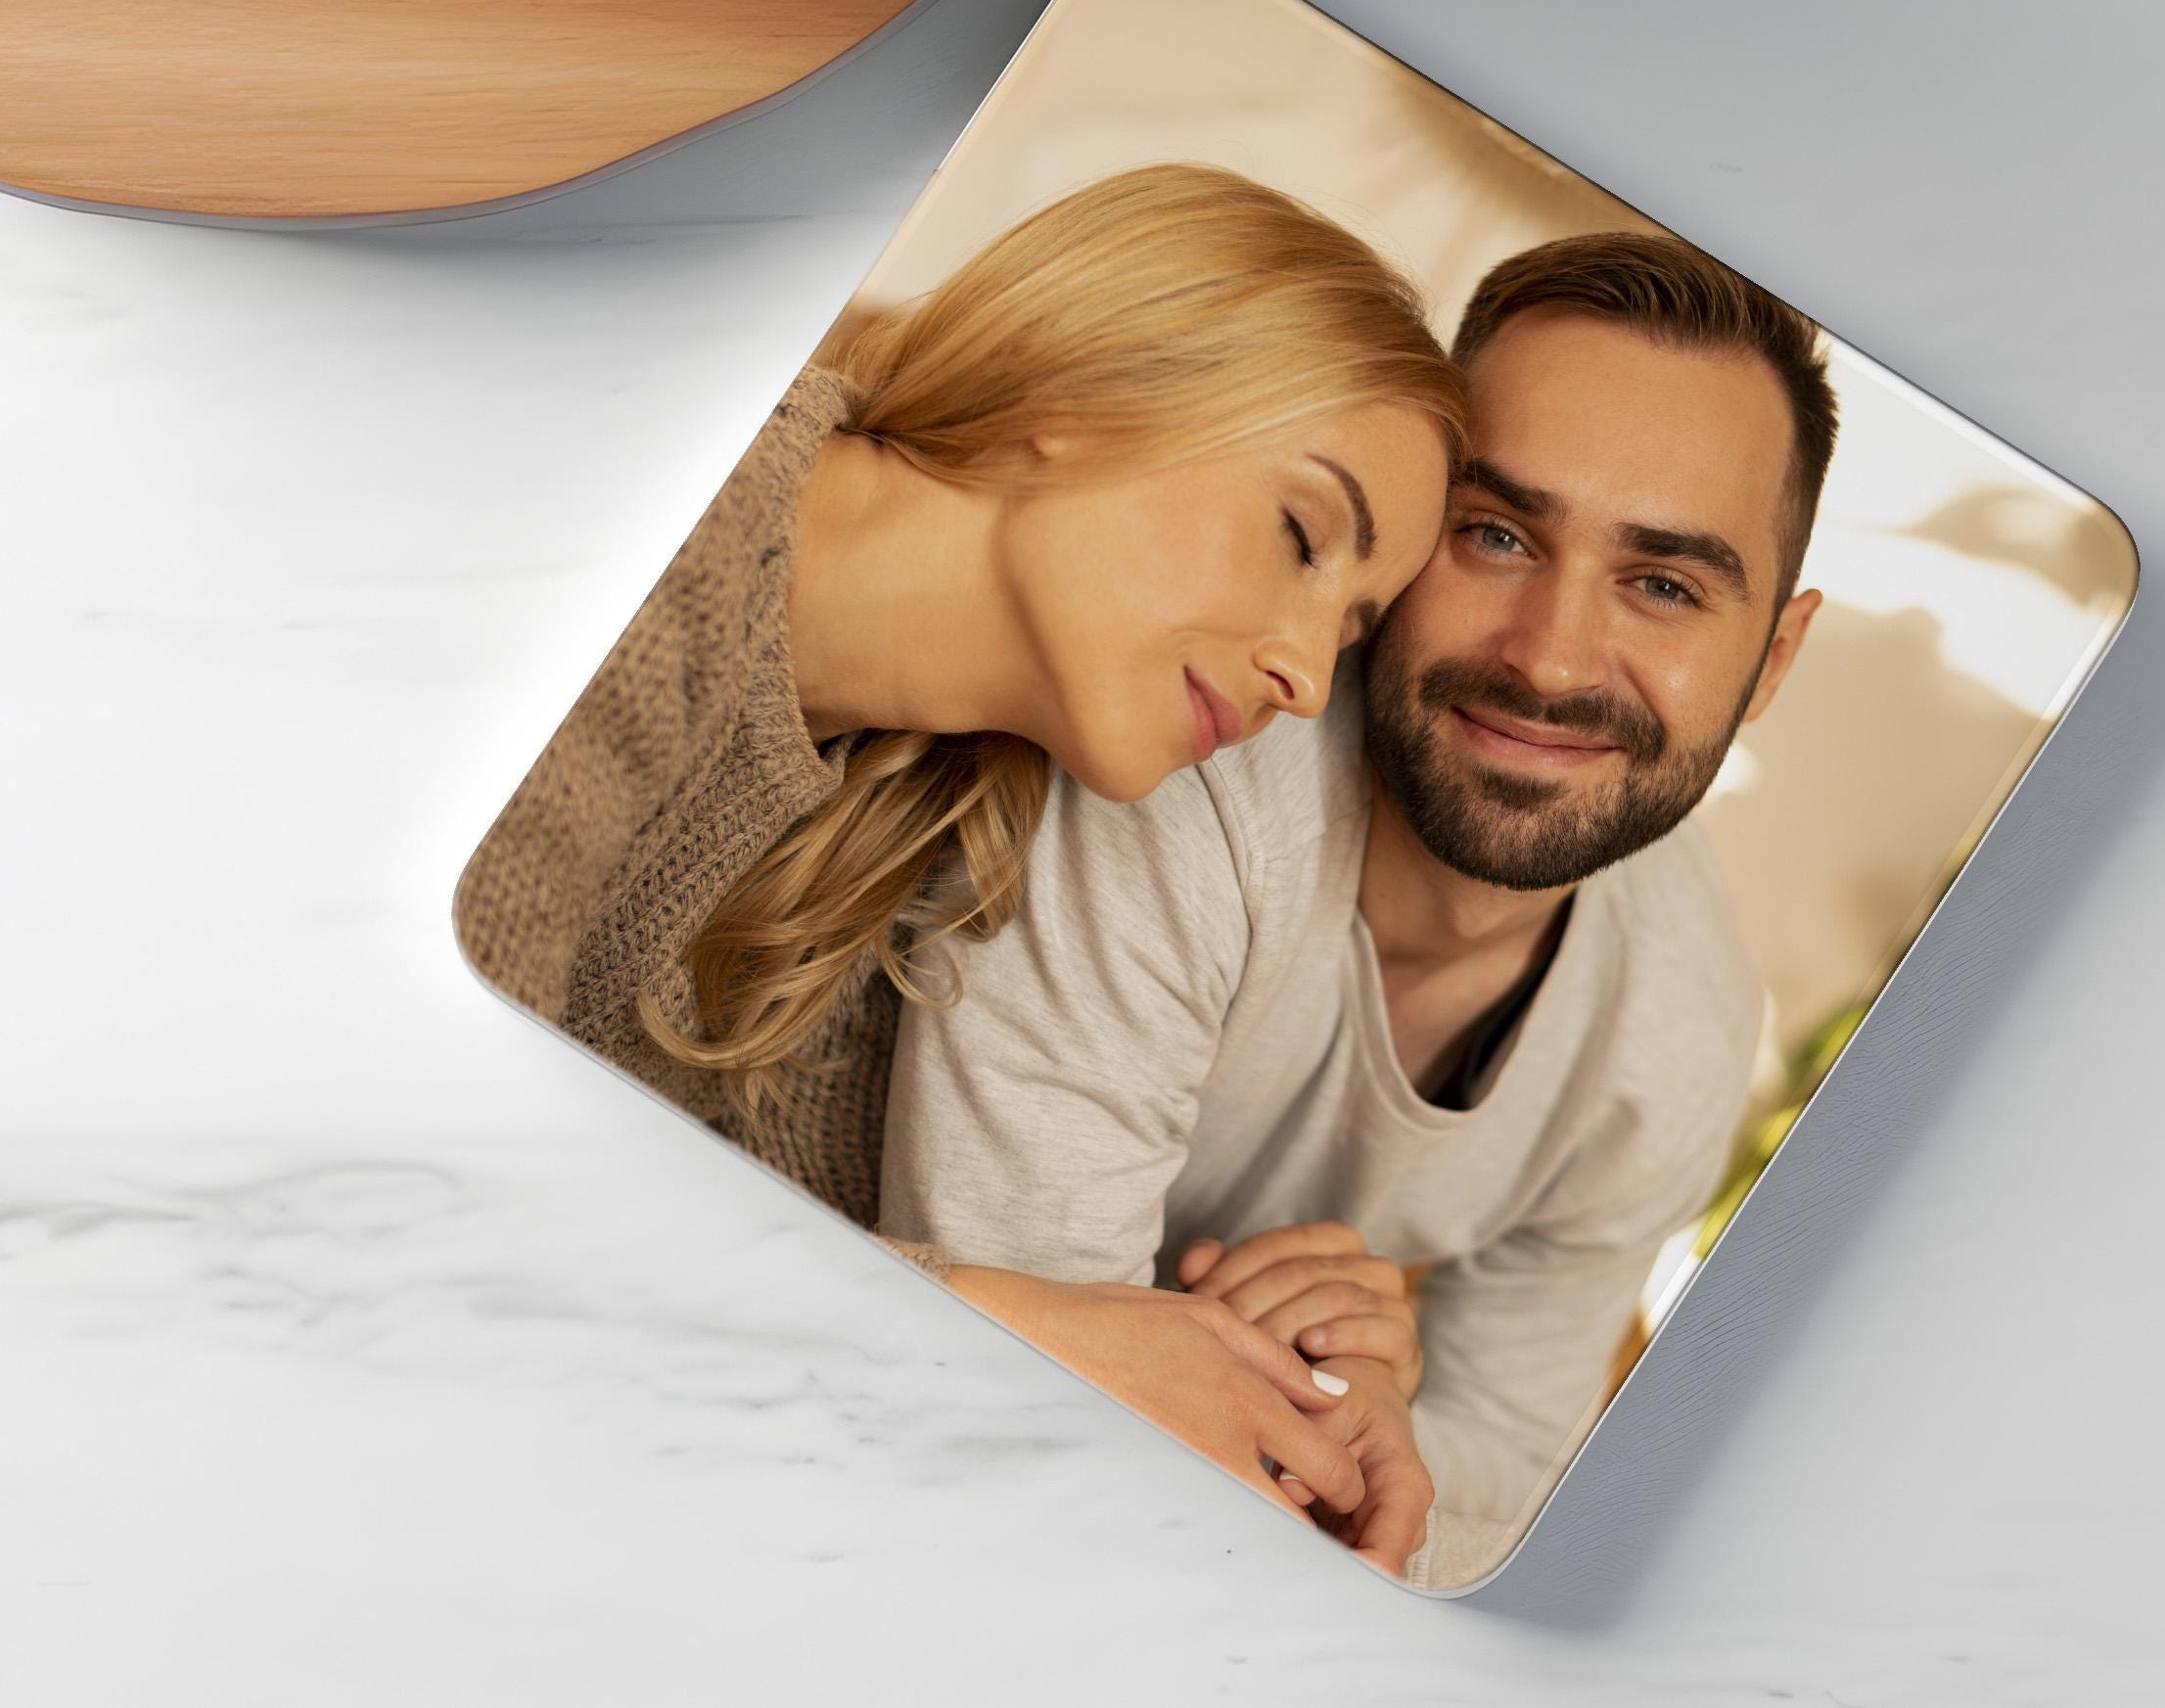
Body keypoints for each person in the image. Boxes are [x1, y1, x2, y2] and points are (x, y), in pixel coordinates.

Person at [451, 162, 1467, 1540]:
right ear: (1081, 388)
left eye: (1349, 630)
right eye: (1300, 534)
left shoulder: (930, 820)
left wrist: (1298, 1362)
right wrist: (1010, 1335)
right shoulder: (641, 512)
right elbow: (401, 1181)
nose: (1301, 677)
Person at [880, 230, 1839, 1587]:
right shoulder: (1190, 768)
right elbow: (1025, 1394)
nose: (1551, 656)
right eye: (1495, 535)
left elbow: (1504, 1484)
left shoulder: (1679, 1027)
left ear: (1776, 655)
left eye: (1662, 584)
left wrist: (1369, 1415)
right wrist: (1335, 1423)